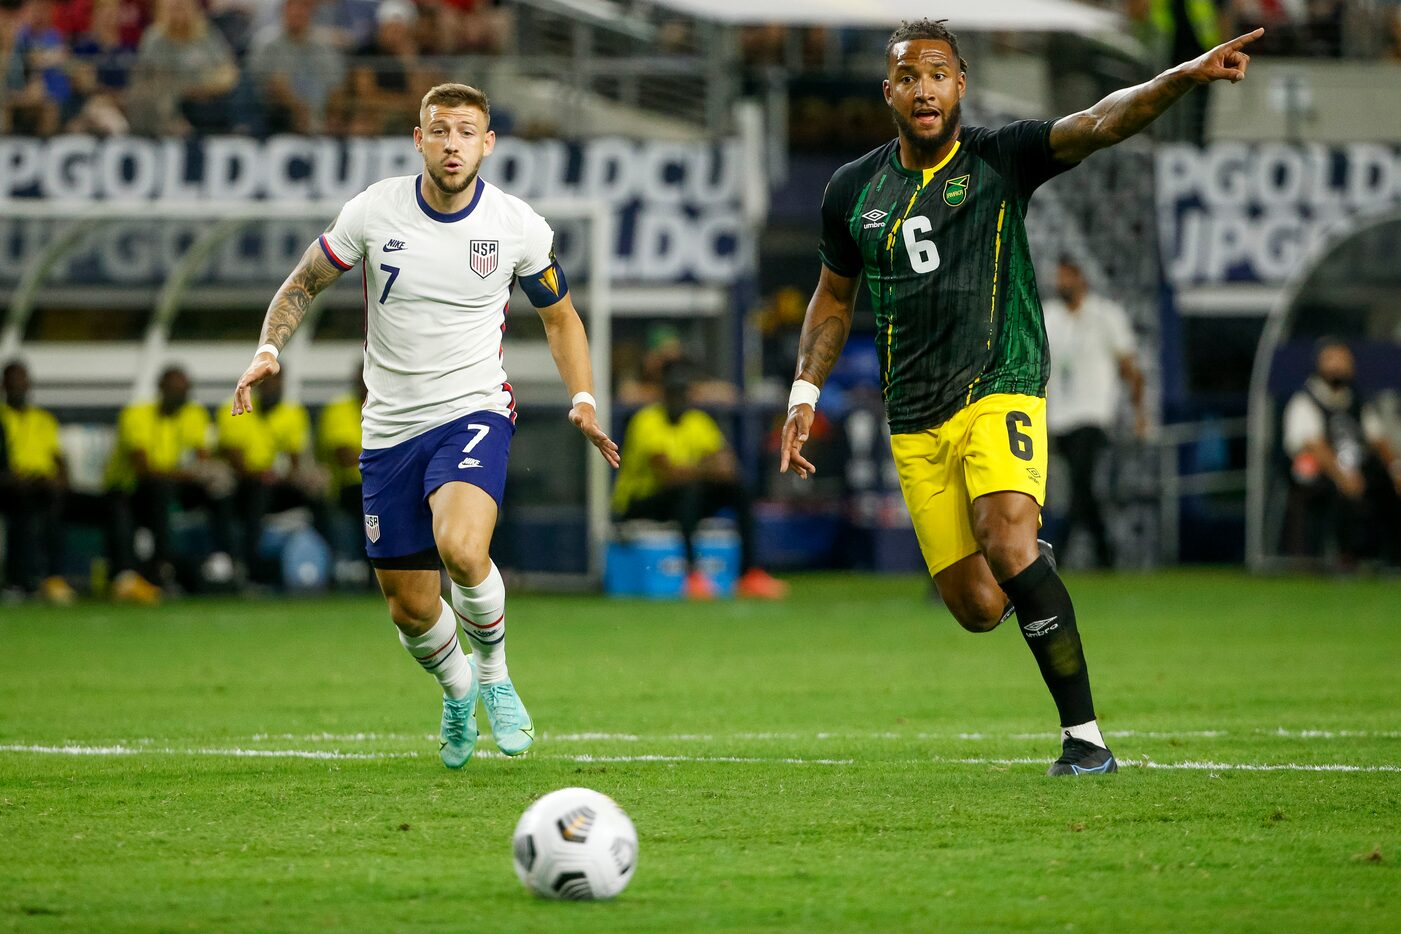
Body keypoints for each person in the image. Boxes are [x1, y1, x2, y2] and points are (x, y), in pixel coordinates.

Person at [780, 18, 1262, 776]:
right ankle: (1029, 565)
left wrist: (1180, 76)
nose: (923, 88)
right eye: (908, 76)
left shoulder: (1000, 159)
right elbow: (832, 298)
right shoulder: (852, 191)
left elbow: (1103, 120)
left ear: (960, 83)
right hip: (913, 416)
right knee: (977, 608)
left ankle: (1086, 739)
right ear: (889, 93)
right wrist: (804, 389)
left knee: (1003, 541)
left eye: (936, 73)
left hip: (1001, 383)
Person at [230, 82, 619, 769]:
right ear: (418, 138)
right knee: (410, 608)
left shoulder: (514, 224)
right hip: (387, 429)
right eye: (439, 131)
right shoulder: (374, 211)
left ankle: (495, 678)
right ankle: (457, 687)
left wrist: (583, 395)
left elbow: (559, 315)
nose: (451, 144)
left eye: (466, 132)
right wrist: (268, 350)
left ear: (487, 143)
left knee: (462, 550)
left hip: (472, 408)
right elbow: (302, 283)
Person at [612, 361, 788, 600]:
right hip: (641, 501)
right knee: (689, 491)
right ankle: (693, 575)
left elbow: (728, 468)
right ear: (663, 395)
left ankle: (750, 574)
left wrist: (696, 469)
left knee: (738, 490)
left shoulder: (698, 421)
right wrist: (706, 467)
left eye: (682, 394)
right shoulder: (646, 420)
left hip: (683, 497)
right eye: (673, 394)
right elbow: (669, 475)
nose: (678, 400)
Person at [1043, 258, 1147, 569]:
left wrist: (1139, 412)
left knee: (1081, 482)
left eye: (1066, 278)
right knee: (1081, 488)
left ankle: (1058, 553)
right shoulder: (1050, 316)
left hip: (1092, 414)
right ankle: (1105, 552)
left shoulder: (1106, 315)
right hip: (1057, 418)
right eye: (1058, 278)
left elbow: (1131, 370)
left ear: (1080, 278)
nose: (1061, 284)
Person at [106, 365, 231, 602]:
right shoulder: (137, 415)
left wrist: (205, 474)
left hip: (171, 485)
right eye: (175, 389)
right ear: (161, 388)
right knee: (159, 491)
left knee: (220, 489)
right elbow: (145, 471)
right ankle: (160, 568)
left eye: (184, 390)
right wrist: (188, 473)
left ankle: (224, 561)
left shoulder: (194, 415)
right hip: (130, 490)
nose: (181, 395)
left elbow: (201, 461)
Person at [1281, 340, 1401, 566]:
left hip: (1357, 466)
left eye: (1343, 360)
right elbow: (1312, 445)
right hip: (1323, 472)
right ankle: (1338, 558)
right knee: (1332, 489)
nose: (1337, 367)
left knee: (1385, 484)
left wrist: (1396, 470)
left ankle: (1388, 559)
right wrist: (1342, 475)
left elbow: (1377, 439)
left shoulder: (1356, 401)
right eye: (1331, 360)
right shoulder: (1306, 400)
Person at [0, 360, 76, 604]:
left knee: (56, 501)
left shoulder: (43, 419)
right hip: (9, 485)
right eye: (12, 382)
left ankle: (54, 578)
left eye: (22, 381)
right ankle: (18, 581)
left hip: (41, 484)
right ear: (4, 385)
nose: (18, 387)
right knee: (22, 503)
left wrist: (60, 479)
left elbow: (58, 458)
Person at [247, 0, 346, 134]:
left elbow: (336, 85)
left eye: (303, 8)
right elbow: (269, 84)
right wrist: (298, 110)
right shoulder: (267, 43)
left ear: (312, 13)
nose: (297, 12)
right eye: (292, 7)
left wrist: (334, 116)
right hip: (276, 115)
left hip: (321, 115)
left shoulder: (323, 47)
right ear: (283, 11)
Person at [317, 367, 368, 573]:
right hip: (349, 486)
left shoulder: (394, 409)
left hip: (385, 483)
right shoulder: (338, 409)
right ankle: (365, 568)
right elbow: (345, 457)